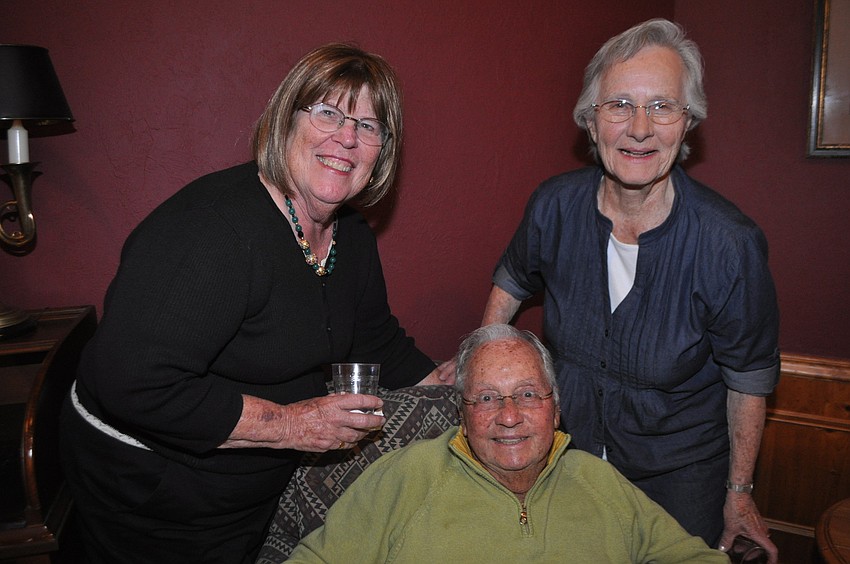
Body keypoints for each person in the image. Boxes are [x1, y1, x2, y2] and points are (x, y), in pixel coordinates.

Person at [60, 43, 451, 564]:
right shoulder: (213, 231)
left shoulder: (351, 234)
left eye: (369, 125)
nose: (347, 138)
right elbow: (131, 380)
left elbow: (375, 339)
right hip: (153, 493)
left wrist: (452, 389)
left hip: (253, 488)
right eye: (328, 113)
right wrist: (290, 425)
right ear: (286, 119)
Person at [481, 18, 779, 562]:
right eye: (619, 104)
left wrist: (739, 493)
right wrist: (483, 372)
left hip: (681, 478)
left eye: (662, 106)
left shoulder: (728, 244)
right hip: (567, 461)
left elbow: (749, 379)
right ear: (590, 121)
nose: (640, 128)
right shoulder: (554, 206)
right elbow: (512, 280)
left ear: (688, 123)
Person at [285, 324, 728, 563]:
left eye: (528, 394)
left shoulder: (598, 480)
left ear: (556, 410)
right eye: (486, 398)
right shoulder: (407, 475)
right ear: (462, 414)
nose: (509, 415)